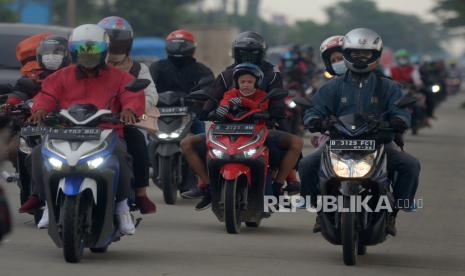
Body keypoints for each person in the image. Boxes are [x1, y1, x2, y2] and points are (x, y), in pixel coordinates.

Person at [298, 28, 421, 235]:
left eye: (366, 54)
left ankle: (394, 213)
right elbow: (315, 108)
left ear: (376, 55)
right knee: (306, 164)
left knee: (410, 165)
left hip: (379, 143)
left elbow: (400, 108)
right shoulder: (333, 86)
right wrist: (314, 120)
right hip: (337, 142)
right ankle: (319, 209)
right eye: (356, 53)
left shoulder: (388, 87)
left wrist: (400, 120)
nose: (361, 58)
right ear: (347, 54)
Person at [27, 24, 144, 234]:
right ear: (73, 52)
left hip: (106, 132)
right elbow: (46, 95)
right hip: (63, 132)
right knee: (37, 154)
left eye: (93, 51)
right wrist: (40, 110)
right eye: (83, 51)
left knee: (121, 157)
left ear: (104, 51)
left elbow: (132, 96)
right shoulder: (60, 76)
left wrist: (129, 109)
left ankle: (122, 206)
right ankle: (47, 205)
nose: (88, 56)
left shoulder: (120, 77)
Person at [181, 31, 303, 209]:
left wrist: (271, 113)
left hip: (260, 127)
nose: (246, 84)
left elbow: (277, 103)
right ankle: (206, 186)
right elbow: (213, 97)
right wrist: (205, 110)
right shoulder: (226, 75)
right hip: (225, 128)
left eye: (252, 53)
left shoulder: (272, 73)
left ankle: (279, 184)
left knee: (293, 144)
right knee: (187, 144)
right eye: (243, 53)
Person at [98, 16, 157, 214]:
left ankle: (140, 194)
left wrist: (131, 109)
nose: (115, 43)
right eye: (110, 39)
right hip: (89, 123)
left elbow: (150, 95)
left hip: (122, 123)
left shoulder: (139, 68)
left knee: (138, 145)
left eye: (119, 39)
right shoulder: (90, 66)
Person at [12, 35, 71, 213]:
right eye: (48, 53)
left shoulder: (75, 76)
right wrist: (12, 102)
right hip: (39, 127)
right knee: (25, 146)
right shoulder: (33, 77)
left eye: (57, 53)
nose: (52, 57)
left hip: (72, 128)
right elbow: (20, 92)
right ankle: (33, 195)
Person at [149, 29, 214, 187]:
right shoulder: (157, 67)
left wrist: (202, 99)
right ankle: (144, 168)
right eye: (175, 45)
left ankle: (204, 180)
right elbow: (148, 87)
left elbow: (210, 88)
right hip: (159, 114)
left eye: (183, 45)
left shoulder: (202, 70)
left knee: (202, 143)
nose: (179, 48)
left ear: (192, 47)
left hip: (191, 114)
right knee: (143, 136)